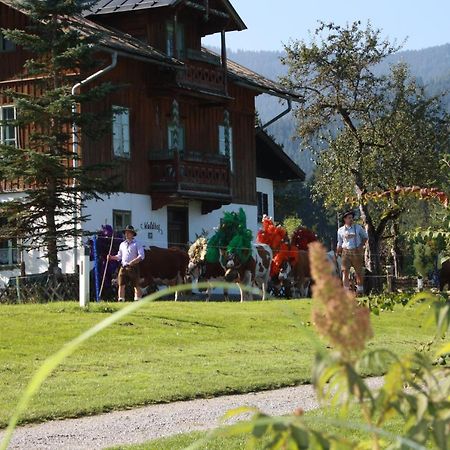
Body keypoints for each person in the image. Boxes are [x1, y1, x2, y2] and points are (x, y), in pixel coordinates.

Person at [108, 225, 145, 302]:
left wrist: (133, 262)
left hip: (133, 267)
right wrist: (111, 257)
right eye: (125, 233)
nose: (126, 234)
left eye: (128, 233)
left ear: (132, 234)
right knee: (121, 284)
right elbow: (119, 256)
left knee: (136, 285)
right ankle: (121, 300)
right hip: (123, 267)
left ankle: (138, 300)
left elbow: (142, 256)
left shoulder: (137, 243)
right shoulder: (122, 244)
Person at [336, 210, 368, 296]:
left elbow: (365, 237)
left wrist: (360, 245)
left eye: (352, 218)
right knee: (345, 272)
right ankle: (346, 292)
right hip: (345, 251)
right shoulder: (340, 230)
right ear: (345, 219)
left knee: (358, 272)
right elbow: (339, 243)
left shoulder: (358, 227)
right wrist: (337, 253)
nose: (351, 219)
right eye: (349, 218)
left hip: (356, 251)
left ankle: (360, 291)